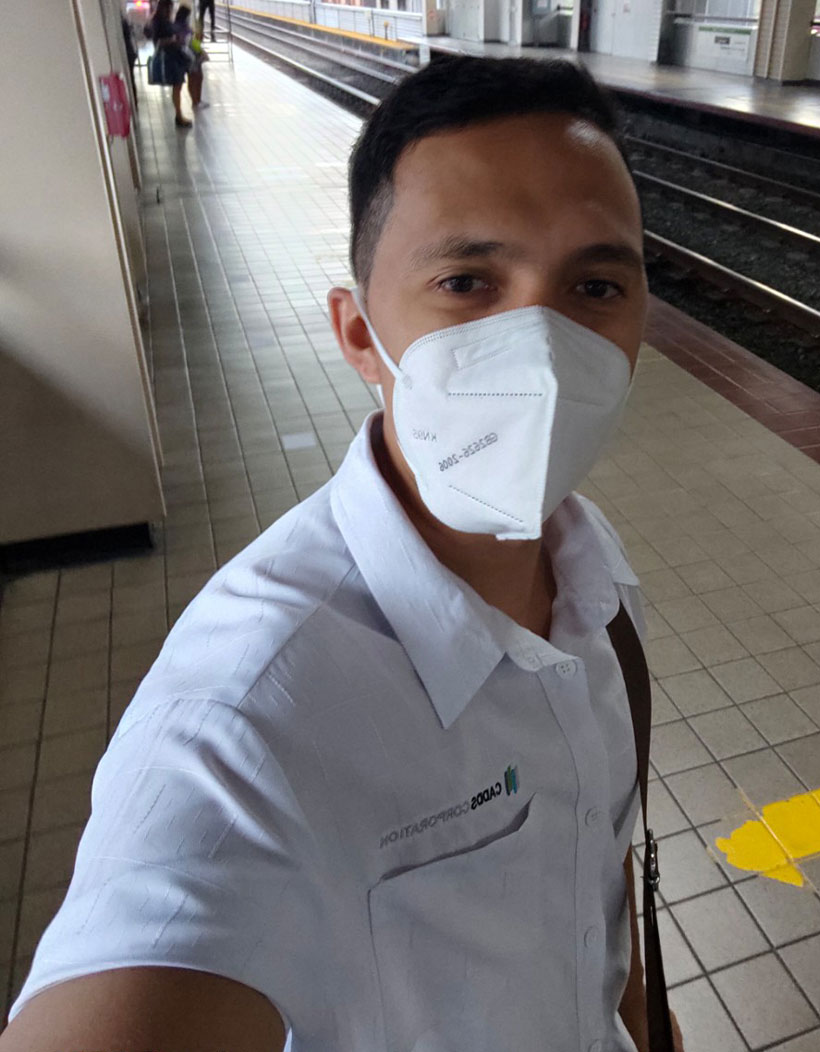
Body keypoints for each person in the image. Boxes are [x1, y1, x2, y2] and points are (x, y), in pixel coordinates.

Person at [0, 57, 685, 1052]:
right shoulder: (242, 721)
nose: (540, 348)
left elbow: (594, 866)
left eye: (593, 284)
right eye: (466, 281)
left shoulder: (595, 581)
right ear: (360, 333)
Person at [149, 0, 192, 128]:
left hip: (173, 56)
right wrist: (173, 39)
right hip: (169, 58)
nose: (171, 10)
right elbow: (158, 41)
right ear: (165, 7)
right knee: (177, 86)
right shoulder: (160, 22)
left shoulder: (163, 20)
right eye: (169, 8)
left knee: (178, 87)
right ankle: (179, 116)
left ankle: (179, 114)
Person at [175, 4, 208, 109]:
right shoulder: (179, 27)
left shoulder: (183, 26)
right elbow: (186, 41)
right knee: (194, 78)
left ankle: (198, 100)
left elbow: (191, 40)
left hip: (193, 55)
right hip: (189, 57)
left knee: (198, 77)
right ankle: (195, 101)